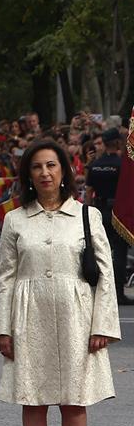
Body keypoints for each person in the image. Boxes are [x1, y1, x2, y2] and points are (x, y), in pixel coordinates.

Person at [0, 139, 118, 426]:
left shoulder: (88, 216)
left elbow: (106, 275)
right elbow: (5, 277)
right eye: (37, 167)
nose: (45, 173)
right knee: (33, 399)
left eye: (51, 165)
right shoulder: (15, 219)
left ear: (64, 171)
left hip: (77, 315)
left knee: (74, 401)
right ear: (28, 175)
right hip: (28, 314)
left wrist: (102, 325)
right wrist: (3, 327)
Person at [86, 128, 132, 305]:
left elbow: (89, 191)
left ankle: (99, 291)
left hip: (99, 210)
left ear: (104, 144)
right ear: (118, 143)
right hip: (117, 212)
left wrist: (87, 212)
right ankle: (118, 293)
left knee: (100, 252)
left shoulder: (95, 165)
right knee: (119, 253)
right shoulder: (122, 165)